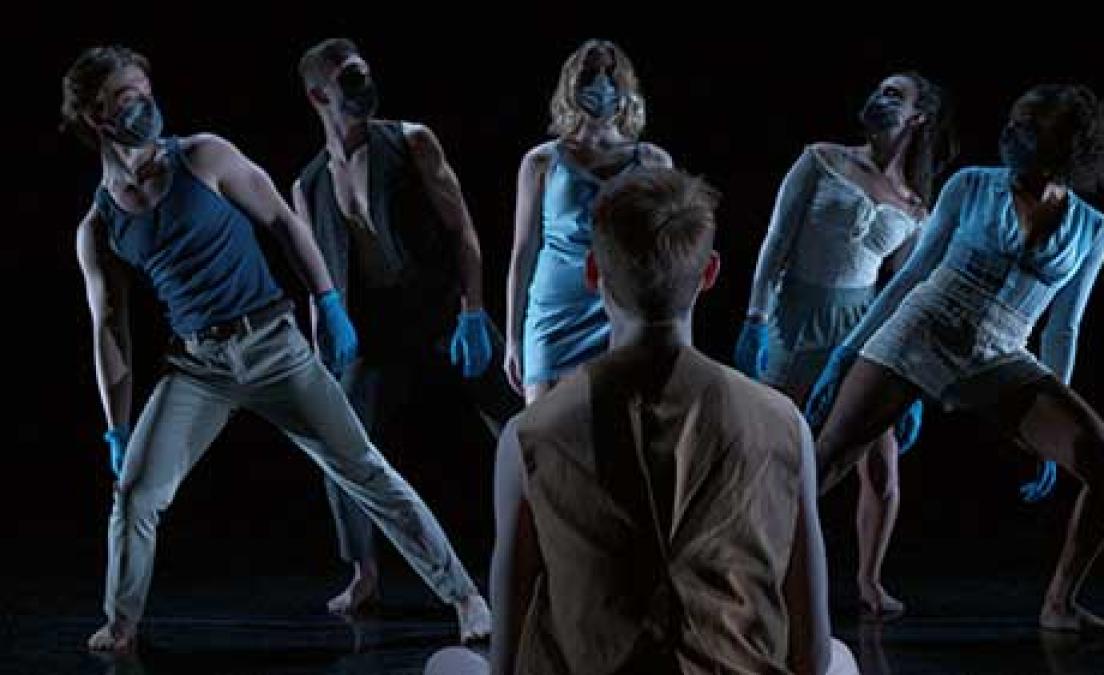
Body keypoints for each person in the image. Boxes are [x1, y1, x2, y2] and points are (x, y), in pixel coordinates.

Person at [63, 45, 490, 653]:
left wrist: (328, 302)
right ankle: (123, 624)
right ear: (95, 118)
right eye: (124, 99)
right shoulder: (100, 225)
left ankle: (465, 597)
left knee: (365, 470)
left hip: (272, 345)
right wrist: (118, 427)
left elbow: (286, 223)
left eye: (144, 90)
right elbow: (108, 327)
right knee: (134, 496)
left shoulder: (204, 156)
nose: (142, 106)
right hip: (199, 365)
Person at [489, 167, 858, 673]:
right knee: (841, 657)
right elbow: (811, 652)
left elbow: (505, 657)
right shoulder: (783, 423)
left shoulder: (530, 434)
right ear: (709, 273)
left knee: (448, 663)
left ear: (593, 273)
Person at [807, 84, 1104, 639]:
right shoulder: (972, 185)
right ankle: (734, 575)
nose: (1016, 138)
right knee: (822, 462)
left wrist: (1054, 418)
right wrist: (848, 350)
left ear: (1065, 147)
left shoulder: (1091, 228)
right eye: (1016, 124)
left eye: (1032, 130)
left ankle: (1059, 605)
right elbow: (911, 275)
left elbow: (1064, 325)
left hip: (1002, 352)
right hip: (920, 329)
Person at [293, 37, 521, 615]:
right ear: (319, 92)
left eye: (364, 72)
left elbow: (464, 230)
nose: (362, 85)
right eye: (348, 78)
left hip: (443, 309)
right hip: (374, 327)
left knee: (521, 426)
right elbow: (315, 271)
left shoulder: (411, 142)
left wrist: (472, 312)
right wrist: (324, 339)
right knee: (337, 439)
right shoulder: (309, 184)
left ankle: (550, 547)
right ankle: (364, 570)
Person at [736, 72, 957, 619]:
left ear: (919, 118)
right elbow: (776, 240)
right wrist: (755, 317)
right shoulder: (822, 159)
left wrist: (912, 373)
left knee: (881, 465)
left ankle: (869, 581)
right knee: (778, 451)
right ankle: (752, 568)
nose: (879, 98)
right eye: (879, 89)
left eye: (894, 94)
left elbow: (904, 291)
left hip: (862, 325)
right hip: (797, 316)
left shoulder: (915, 203)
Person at [504, 38, 672, 403]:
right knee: (544, 437)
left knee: (615, 435)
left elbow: (667, 258)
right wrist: (513, 339)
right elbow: (523, 252)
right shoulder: (541, 162)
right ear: (571, 84)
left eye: (609, 73)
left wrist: (669, 333)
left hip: (621, 312)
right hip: (555, 313)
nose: (601, 83)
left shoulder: (654, 162)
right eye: (590, 74)